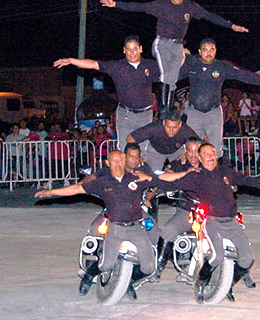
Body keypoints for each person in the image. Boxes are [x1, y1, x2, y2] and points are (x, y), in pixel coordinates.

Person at [135, 143, 260, 302]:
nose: (210, 156)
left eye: (213, 153)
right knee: (217, 257)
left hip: (232, 223)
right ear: (200, 158)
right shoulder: (196, 176)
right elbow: (169, 184)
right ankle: (200, 281)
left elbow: (247, 180)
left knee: (247, 259)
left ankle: (229, 285)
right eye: (206, 154)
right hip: (212, 222)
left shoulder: (225, 172)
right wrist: (149, 179)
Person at [99, 0, 249, 107]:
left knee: (173, 77)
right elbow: (139, 6)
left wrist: (231, 25)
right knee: (166, 74)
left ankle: (167, 106)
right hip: (162, 43)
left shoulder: (190, 6)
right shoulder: (161, 5)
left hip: (178, 46)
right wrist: (115, 4)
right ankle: (164, 109)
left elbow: (209, 16)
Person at [34, 151, 161, 299]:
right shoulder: (102, 182)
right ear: (108, 163)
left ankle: (129, 282)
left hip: (136, 228)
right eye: (114, 161)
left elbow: (163, 180)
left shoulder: (137, 178)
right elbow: (76, 189)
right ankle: (89, 275)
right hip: (115, 228)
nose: (118, 164)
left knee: (149, 268)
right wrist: (51, 192)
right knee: (105, 265)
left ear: (125, 160)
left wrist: (180, 176)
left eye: (121, 160)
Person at [179, 38, 260, 155]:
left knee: (215, 149)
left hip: (213, 113)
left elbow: (245, 75)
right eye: (205, 50)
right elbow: (171, 75)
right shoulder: (191, 63)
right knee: (192, 149)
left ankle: (216, 171)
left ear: (215, 51)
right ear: (199, 51)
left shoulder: (222, 67)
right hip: (194, 112)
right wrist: (181, 59)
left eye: (211, 50)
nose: (208, 53)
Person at [54, 36, 160, 151]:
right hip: (125, 114)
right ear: (124, 50)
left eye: (134, 49)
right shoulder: (117, 66)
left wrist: (181, 56)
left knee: (143, 149)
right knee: (125, 148)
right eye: (128, 49)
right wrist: (71, 60)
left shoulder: (150, 65)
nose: (132, 53)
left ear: (140, 49)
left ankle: (142, 169)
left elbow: (169, 73)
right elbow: (94, 64)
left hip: (145, 115)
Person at [152, 137, 203, 281]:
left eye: (196, 151)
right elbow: (164, 176)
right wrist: (185, 173)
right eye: (190, 151)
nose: (193, 155)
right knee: (169, 229)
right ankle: (159, 267)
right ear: (185, 151)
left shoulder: (208, 163)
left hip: (209, 212)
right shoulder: (179, 164)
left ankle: (239, 272)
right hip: (188, 211)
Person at [126, 108, 199, 171]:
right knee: (151, 176)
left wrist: (186, 155)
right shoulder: (154, 127)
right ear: (164, 122)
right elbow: (130, 138)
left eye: (174, 127)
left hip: (176, 151)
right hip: (155, 151)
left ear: (180, 124)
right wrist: (138, 156)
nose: (171, 130)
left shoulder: (185, 130)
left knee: (184, 173)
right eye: (168, 127)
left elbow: (201, 144)